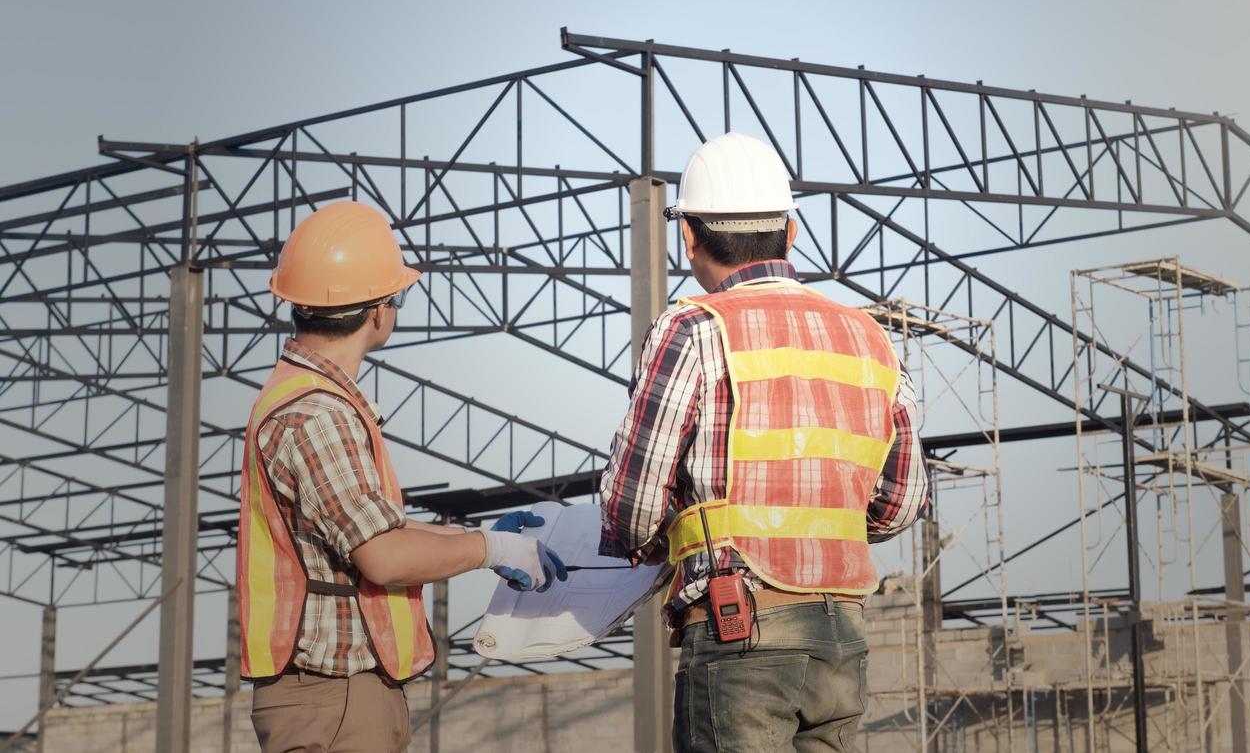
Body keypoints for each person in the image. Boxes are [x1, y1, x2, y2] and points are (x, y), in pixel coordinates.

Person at [600, 133, 930, 752]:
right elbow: (900, 504)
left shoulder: (692, 327)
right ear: (791, 232)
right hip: (839, 638)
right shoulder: (872, 338)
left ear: (689, 236)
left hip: (738, 635)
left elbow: (632, 506)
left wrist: (646, 542)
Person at [238, 201, 567, 753]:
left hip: (328, 697)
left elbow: (370, 529)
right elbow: (383, 554)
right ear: (380, 312)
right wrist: (485, 548)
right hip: (334, 698)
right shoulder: (320, 415)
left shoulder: (301, 397)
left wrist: (487, 539)